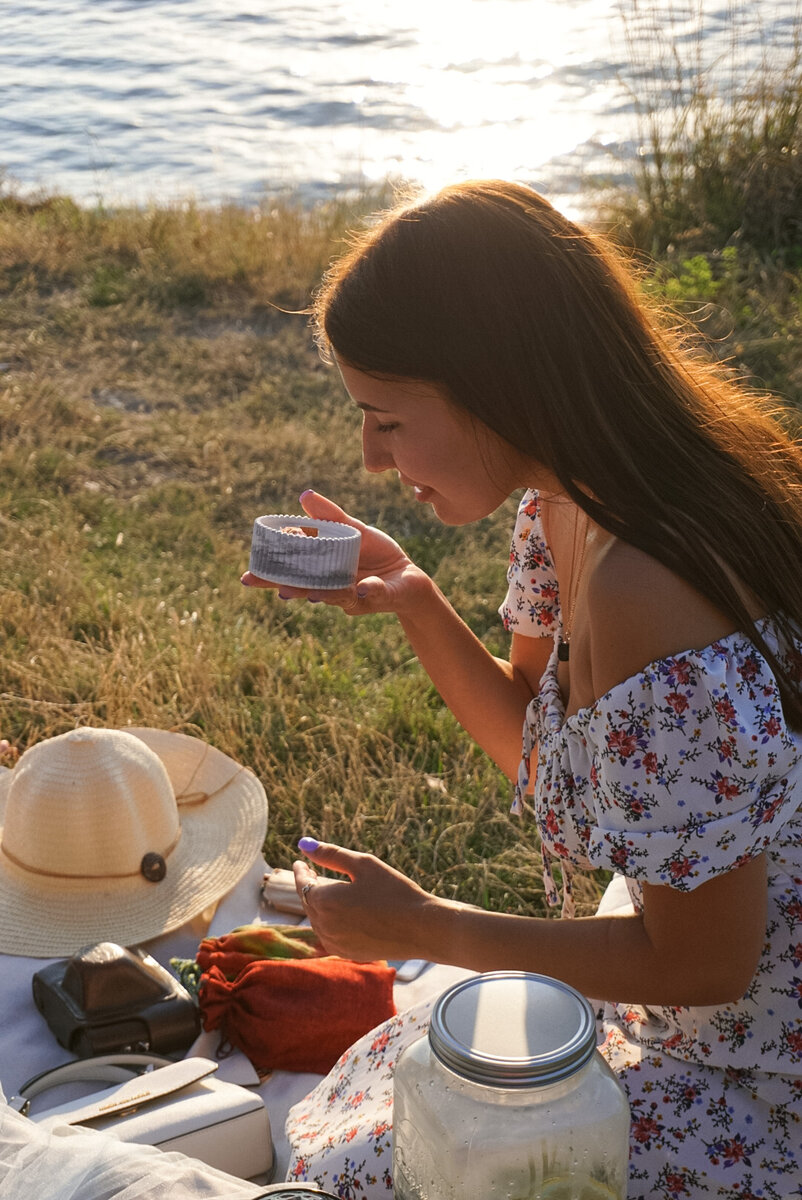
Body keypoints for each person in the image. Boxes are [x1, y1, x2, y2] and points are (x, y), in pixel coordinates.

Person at [242, 180, 802, 1197]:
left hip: (759, 1065)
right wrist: (413, 597)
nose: (370, 456)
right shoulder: (559, 506)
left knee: (384, 1160)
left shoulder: (649, 587)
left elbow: (707, 963)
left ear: (496, 386)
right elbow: (554, 759)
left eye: (385, 419)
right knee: (391, 1094)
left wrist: (427, 929)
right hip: (696, 996)